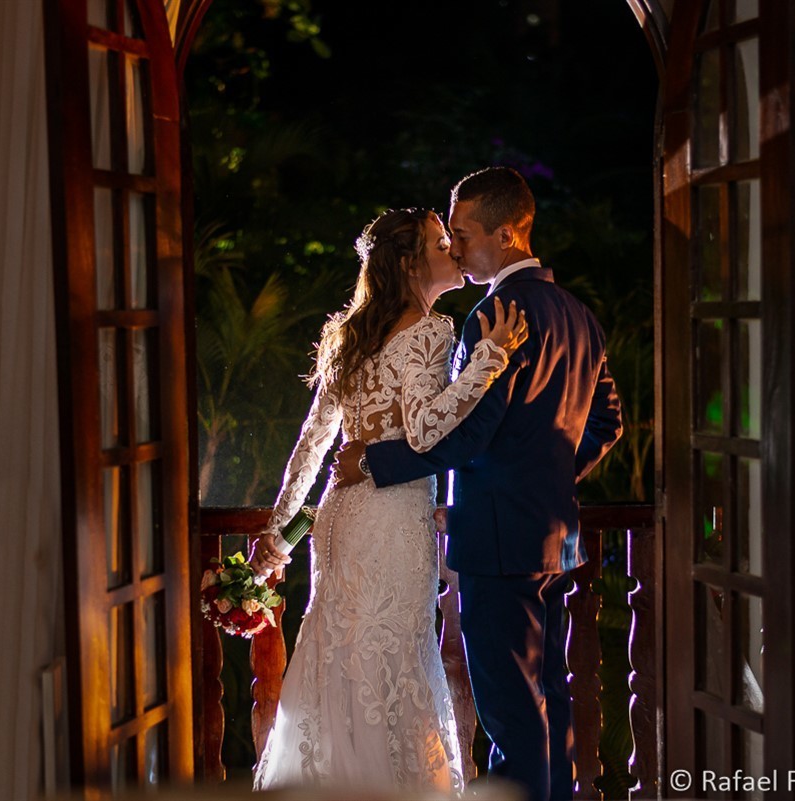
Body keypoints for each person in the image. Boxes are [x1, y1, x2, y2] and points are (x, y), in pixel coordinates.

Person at [329, 167, 623, 801]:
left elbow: (467, 434)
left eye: (462, 233)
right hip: (556, 535)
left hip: (495, 538)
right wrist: (545, 478)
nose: (455, 248)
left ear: (510, 232)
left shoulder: (494, 316)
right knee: (551, 695)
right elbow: (607, 423)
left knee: (511, 711)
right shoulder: (580, 316)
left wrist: (375, 464)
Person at [247, 207, 529, 793]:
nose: (452, 250)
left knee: (340, 657)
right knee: (391, 659)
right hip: (391, 518)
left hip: (339, 520)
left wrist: (276, 539)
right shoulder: (431, 330)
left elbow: (310, 445)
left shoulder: (347, 335)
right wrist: (490, 359)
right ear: (408, 262)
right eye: (439, 242)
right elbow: (427, 431)